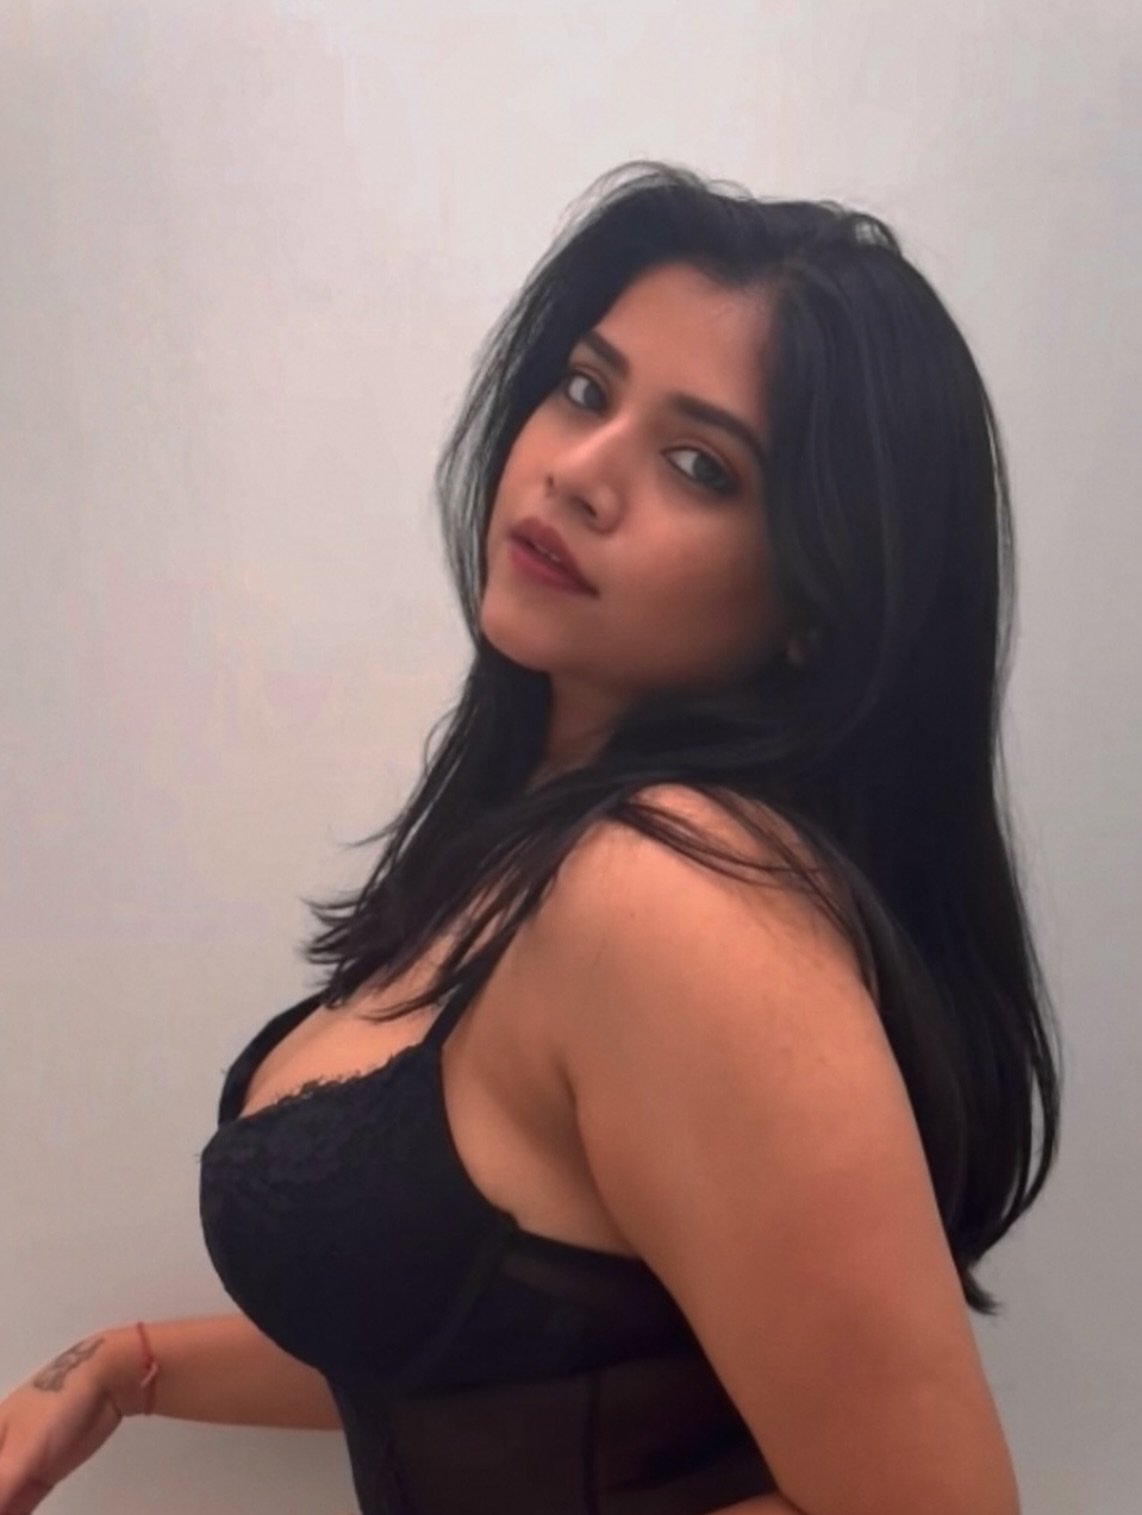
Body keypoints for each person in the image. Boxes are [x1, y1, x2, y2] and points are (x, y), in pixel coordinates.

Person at [0, 160, 1060, 1515]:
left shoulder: (669, 893)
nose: (581, 471)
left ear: (819, 602)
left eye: (699, 465)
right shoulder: (530, 854)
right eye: (585, 389)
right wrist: (125, 1369)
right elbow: (453, 1344)